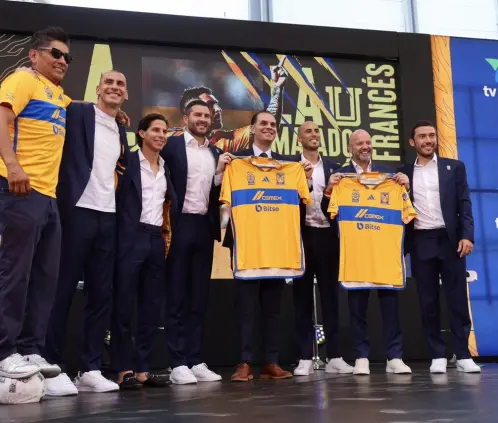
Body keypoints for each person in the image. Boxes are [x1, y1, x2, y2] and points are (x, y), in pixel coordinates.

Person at [43, 70, 132, 395]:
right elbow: (59, 103)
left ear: (126, 95)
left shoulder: (121, 128)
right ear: (97, 89)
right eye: (109, 82)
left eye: (120, 84)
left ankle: (90, 368)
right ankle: (51, 367)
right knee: (62, 291)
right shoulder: (80, 111)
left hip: (108, 217)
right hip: (77, 211)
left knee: (100, 296)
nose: (114, 87)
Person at [0, 27, 72, 380]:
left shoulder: (56, 94)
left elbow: (75, 106)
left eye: (67, 57)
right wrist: (12, 165)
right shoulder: (23, 79)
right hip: (19, 189)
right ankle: (4, 351)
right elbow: (2, 118)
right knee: (15, 273)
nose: (62, 61)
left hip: (49, 197)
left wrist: (111, 112)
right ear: (34, 55)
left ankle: (30, 349)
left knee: (45, 278)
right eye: (55, 53)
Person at [225, 111, 313, 382]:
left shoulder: (289, 166)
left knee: (273, 308)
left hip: (277, 247)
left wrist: (306, 179)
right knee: (246, 308)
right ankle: (244, 362)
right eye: (263, 123)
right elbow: (223, 201)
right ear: (252, 129)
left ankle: (271, 362)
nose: (269, 127)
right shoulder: (235, 163)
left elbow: (303, 201)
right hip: (247, 246)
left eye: (273, 124)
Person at [322, 129, 412, 376]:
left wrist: (406, 187)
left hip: (385, 253)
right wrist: (329, 190)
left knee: (390, 307)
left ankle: (395, 356)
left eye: (368, 142)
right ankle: (361, 356)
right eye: (359, 143)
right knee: (356, 308)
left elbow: (408, 211)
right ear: (350, 148)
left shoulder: (390, 176)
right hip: (356, 254)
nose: (365, 146)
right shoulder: (341, 177)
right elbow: (329, 214)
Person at [399, 120, 480, 374]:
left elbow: (464, 203)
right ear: (413, 142)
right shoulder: (403, 173)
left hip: (450, 240)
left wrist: (467, 236)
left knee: (457, 299)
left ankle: (463, 354)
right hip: (421, 240)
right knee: (428, 301)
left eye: (431, 135)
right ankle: (437, 355)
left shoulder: (454, 167)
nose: (428, 140)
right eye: (422, 136)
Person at [161, 99, 232, 384]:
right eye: (197, 114)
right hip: (177, 225)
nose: (202, 119)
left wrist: (220, 174)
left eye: (207, 115)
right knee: (176, 295)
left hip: (204, 226)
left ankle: (195, 359)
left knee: (199, 296)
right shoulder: (171, 146)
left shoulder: (217, 152)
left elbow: (215, 194)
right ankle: (177, 362)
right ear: (186, 118)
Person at [110, 113, 177, 389]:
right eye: (156, 130)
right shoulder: (126, 163)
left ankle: (142, 369)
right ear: (141, 133)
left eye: (164, 131)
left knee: (151, 307)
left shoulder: (166, 168)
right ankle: (122, 368)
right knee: (123, 305)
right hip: (130, 237)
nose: (161, 135)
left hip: (156, 239)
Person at [292, 121, 353, 376]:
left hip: (328, 236)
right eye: (308, 131)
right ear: (299, 139)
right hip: (301, 236)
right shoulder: (291, 167)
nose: (314, 134)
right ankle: (305, 357)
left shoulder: (335, 168)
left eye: (317, 131)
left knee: (331, 298)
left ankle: (335, 356)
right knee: (302, 298)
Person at [168, 60, 287, 153]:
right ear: (187, 116)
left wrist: (277, 88)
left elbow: (266, 125)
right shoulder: (168, 139)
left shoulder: (227, 141)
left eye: (216, 104)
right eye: (209, 106)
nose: (218, 109)